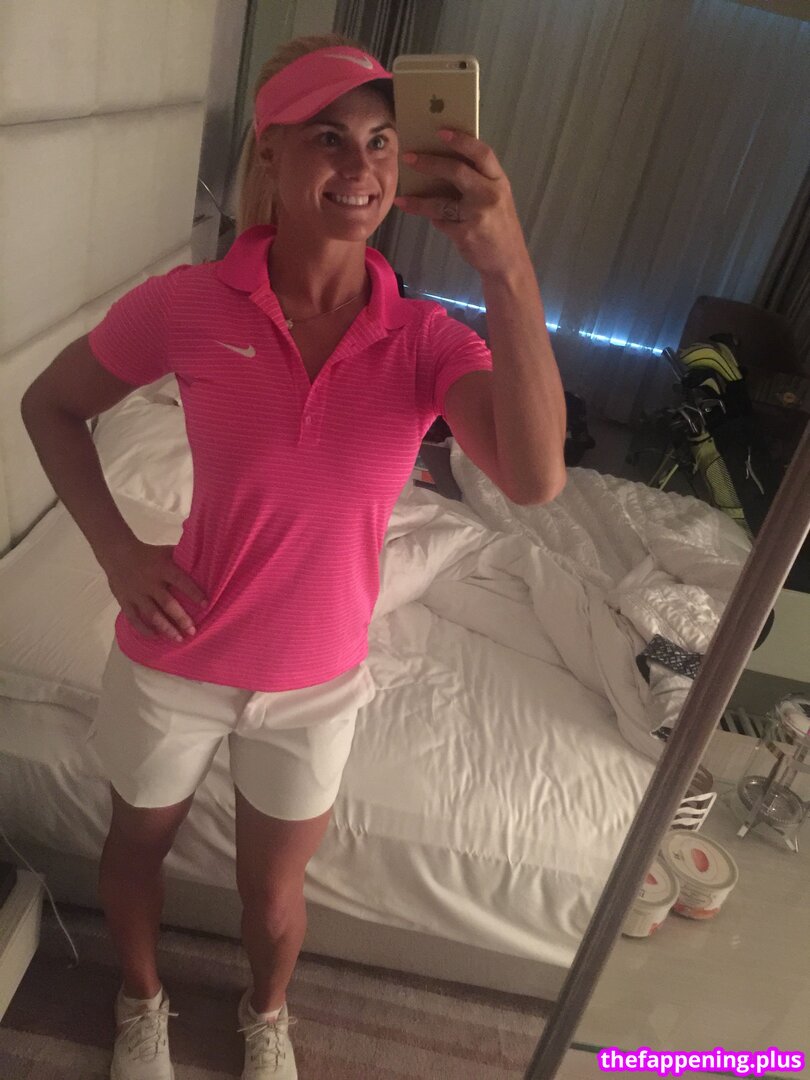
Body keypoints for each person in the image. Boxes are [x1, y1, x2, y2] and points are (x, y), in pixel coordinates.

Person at [19, 32, 567, 1080]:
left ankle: (266, 1014)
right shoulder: (189, 305)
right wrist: (119, 553)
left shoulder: (425, 341)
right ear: (269, 151)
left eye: (381, 141)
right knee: (137, 846)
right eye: (328, 137)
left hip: (316, 678)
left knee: (274, 895)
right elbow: (50, 405)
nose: (360, 166)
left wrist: (506, 264)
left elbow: (536, 477)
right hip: (175, 656)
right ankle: (142, 1001)